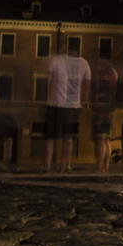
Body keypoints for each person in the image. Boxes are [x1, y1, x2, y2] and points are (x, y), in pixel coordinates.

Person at [45, 37, 91, 173]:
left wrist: (49, 98)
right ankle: (64, 166)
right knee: (68, 138)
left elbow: (50, 80)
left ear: (67, 47)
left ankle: (46, 167)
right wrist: (83, 104)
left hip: (55, 104)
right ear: (78, 48)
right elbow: (86, 86)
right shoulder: (84, 63)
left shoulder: (57, 60)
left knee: (50, 137)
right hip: (73, 106)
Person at [91, 66, 116, 173]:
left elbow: (97, 98)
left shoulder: (102, 81)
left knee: (101, 139)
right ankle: (106, 167)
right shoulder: (113, 75)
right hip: (110, 113)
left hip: (101, 112)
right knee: (107, 140)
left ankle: (99, 167)